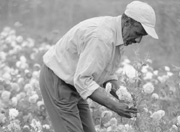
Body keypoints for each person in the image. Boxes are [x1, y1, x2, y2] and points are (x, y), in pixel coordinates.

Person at [39, 1, 158, 132]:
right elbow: (83, 80)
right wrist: (115, 106)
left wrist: (122, 95)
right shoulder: (101, 38)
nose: (138, 40)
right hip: (58, 79)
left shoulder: (119, 36)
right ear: (128, 22)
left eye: (142, 36)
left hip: (74, 82)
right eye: (137, 33)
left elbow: (106, 74)